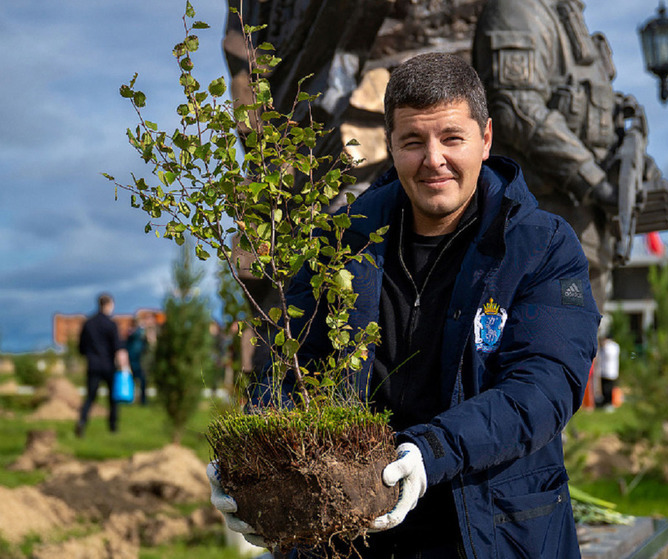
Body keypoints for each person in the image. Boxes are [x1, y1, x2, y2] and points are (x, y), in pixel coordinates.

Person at [208, 53, 600, 558]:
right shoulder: (343, 241)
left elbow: (543, 389)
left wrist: (429, 452)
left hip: (493, 533)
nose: (432, 159)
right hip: (350, 535)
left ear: (486, 139)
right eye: (413, 141)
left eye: (451, 138)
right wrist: (254, 461)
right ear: (391, 147)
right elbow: (288, 367)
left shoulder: (540, 247)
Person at [473, 0, 668, 311]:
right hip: (538, 232)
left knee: (577, 349)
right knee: (543, 348)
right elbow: (517, 109)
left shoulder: (566, 16)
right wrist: (594, 181)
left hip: (582, 237)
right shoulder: (519, 10)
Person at [76, 293, 130, 437]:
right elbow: (118, 347)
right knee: (113, 398)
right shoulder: (111, 324)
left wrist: (88, 355)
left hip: (93, 365)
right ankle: (113, 427)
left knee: (90, 397)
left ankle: (82, 421)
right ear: (109, 305)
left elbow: (81, 346)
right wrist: (124, 366)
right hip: (108, 366)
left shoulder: (88, 323)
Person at [126, 315, 149, 405]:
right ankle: (142, 400)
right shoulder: (140, 332)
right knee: (141, 380)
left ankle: (132, 399)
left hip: (133, 359)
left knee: (134, 380)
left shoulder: (131, 333)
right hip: (139, 359)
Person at [596, 334, 620, 409]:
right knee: (604, 388)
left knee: (608, 388)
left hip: (610, 371)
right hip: (603, 371)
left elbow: (608, 355)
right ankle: (604, 402)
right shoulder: (605, 347)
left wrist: (604, 345)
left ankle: (609, 403)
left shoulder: (613, 346)